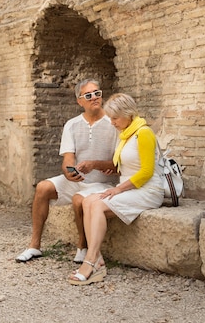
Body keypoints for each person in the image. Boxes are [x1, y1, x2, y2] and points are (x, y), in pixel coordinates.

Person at [15, 79, 119, 263]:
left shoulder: (114, 123)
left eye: (97, 93)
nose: (94, 97)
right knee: (42, 188)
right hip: (79, 180)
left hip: (104, 183)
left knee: (79, 200)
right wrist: (68, 172)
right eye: (88, 95)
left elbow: (119, 163)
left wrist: (94, 164)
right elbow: (68, 159)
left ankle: (82, 247)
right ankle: (34, 245)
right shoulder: (72, 124)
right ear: (80, 101)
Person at [68, 92, 164, 285]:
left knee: (97, 205)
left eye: (115, 118)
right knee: (88, 201)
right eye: (110, 117)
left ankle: (91, 260)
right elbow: (124, 167)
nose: (111, 122)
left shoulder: (143, 132)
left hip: (148, 189)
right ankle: (97, 259)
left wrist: (118, 190)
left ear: (128, 114)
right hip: (129, 187)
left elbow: (146, 172)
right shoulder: (126, 134)